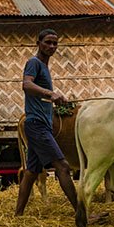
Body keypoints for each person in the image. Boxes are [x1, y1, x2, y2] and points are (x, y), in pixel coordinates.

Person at [15, 28, 79, 216]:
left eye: (55, 43)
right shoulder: (34, 63)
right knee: (63, 166)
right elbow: (26, 84)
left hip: (42, 124)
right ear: (38, 43)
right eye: (48, 42)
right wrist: (51, 94)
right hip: (37, 125)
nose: (52, 46)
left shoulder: (44, 67)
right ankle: (80, 213)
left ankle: (18, 215)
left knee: (31, 172)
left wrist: (58, 99)